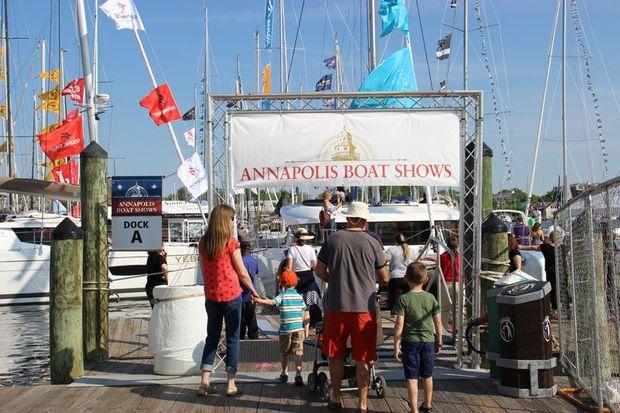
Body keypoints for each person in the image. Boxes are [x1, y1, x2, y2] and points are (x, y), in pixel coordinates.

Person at [314, 201, 389, 412]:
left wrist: (334, 280)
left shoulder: (333, 239)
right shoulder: (372, 242)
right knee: (363, 357)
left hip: (336, 306)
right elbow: (384, 278)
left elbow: (319, 270)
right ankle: (362, 403)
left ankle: (335, 397)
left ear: (348, 218)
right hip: (364, 308)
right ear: (364, 220)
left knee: (335, 355)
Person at [198, 204, 259, 397]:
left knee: (212, 338)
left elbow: (203, 270)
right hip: (232, 296)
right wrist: (254, 291)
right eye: (232, 219)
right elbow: (241, 271)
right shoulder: (230, 242)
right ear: (226, 221)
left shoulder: (203, 243)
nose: (233, 222)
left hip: (212, 296)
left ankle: (204, 382)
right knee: (233, 338)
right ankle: (230, 383)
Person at [394, 262, 442, 413]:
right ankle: (427, 404)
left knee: (412, 377)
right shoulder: (431, 298)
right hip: (428, 341)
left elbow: (399, 324)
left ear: (405, 279)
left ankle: (414, 409)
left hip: (410, 343)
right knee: (427, 375)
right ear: (426, 279)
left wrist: (396, 344)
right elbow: (438, 321)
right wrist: (439, 339)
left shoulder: (403, 299)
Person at [254, 269, 309, 387]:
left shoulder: (282, 296)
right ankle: (298, 375)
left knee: (284, 352)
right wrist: (305, 327)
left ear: (282, 284)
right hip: (298, 329)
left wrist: (259, 300)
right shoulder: (299, 297)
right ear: (295, 283)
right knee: (298, 352)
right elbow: (305, 311)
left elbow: (272, 302)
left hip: (285, 330)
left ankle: (284, 373)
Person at [287, 228, 322, 326]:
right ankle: (315, 323)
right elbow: (315, 267)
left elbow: (289, 267)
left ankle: (298, 323)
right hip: (309, 277)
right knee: (312, 302)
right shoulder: (311, 249)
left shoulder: (292, 249)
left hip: (296, 278)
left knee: (298, 303)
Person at [387, 233, 414, 315]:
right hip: (407, 276)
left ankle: (396, 318)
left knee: (395, 299)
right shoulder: (410, 249)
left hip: (395, 276)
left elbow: (386, 260)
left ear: (395, 240)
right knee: (407, 298)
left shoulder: (391, 249)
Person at [240, 241, 259, 340]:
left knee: (241, 321)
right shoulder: (254, 260)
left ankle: (241, 341)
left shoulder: (240, 261)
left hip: (241, 294)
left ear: (241, 249)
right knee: (252, 319)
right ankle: (254, 342)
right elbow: (255, 273)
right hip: (252, 294)